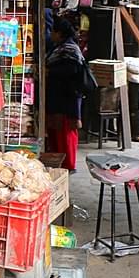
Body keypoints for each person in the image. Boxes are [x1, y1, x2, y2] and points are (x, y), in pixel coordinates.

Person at [46, 18, 85, 171]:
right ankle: (60, 162)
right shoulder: (59, 47)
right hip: (58, 96)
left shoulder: (69, 49)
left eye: (53, 32)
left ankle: (69, 164)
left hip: (67, 97)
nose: (51, 35)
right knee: (57, 131)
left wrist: (50, 72)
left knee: (66, 132)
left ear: (59, 33)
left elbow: (72, 71)